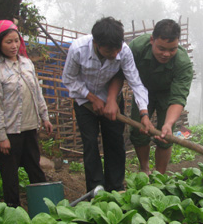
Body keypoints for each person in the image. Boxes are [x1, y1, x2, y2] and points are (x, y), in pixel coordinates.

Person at [62, 16, 150, 193]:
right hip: (84, 102)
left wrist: (144, 113)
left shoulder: (123, 51)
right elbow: (68, 79)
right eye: (110, 51)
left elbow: (135, 82)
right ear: (96, 43)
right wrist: (92, 98)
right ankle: (96, 190)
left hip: (113, 103)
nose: (115, 55)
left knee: (115, 143)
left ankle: (116, 187)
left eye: (117, 49)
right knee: (90, 143)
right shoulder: (78, 49)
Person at [110, 19, 193, 175]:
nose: (166, 54)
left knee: (165, 136)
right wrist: (112, 99)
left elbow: (178, 98)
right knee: (139, 131)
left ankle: (160, 175)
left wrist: (168, 123)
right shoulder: (137, 48)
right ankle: (145, 169)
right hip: (142, 92)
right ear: (152, 40)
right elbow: (119, 73)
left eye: (172, 49)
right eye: (161, 48)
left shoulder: (183, 63)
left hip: (167, 95)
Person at [0, 20, 53, 207]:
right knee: (10, 175)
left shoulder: (27, 63)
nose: (14, 46)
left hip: (30, 127)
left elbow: (37, 93)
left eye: (16, 41)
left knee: (35, 169)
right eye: (9, 42)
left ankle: (42, 208)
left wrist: (45, 117)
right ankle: (13, 213)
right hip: (9, 132)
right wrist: (2, 137)